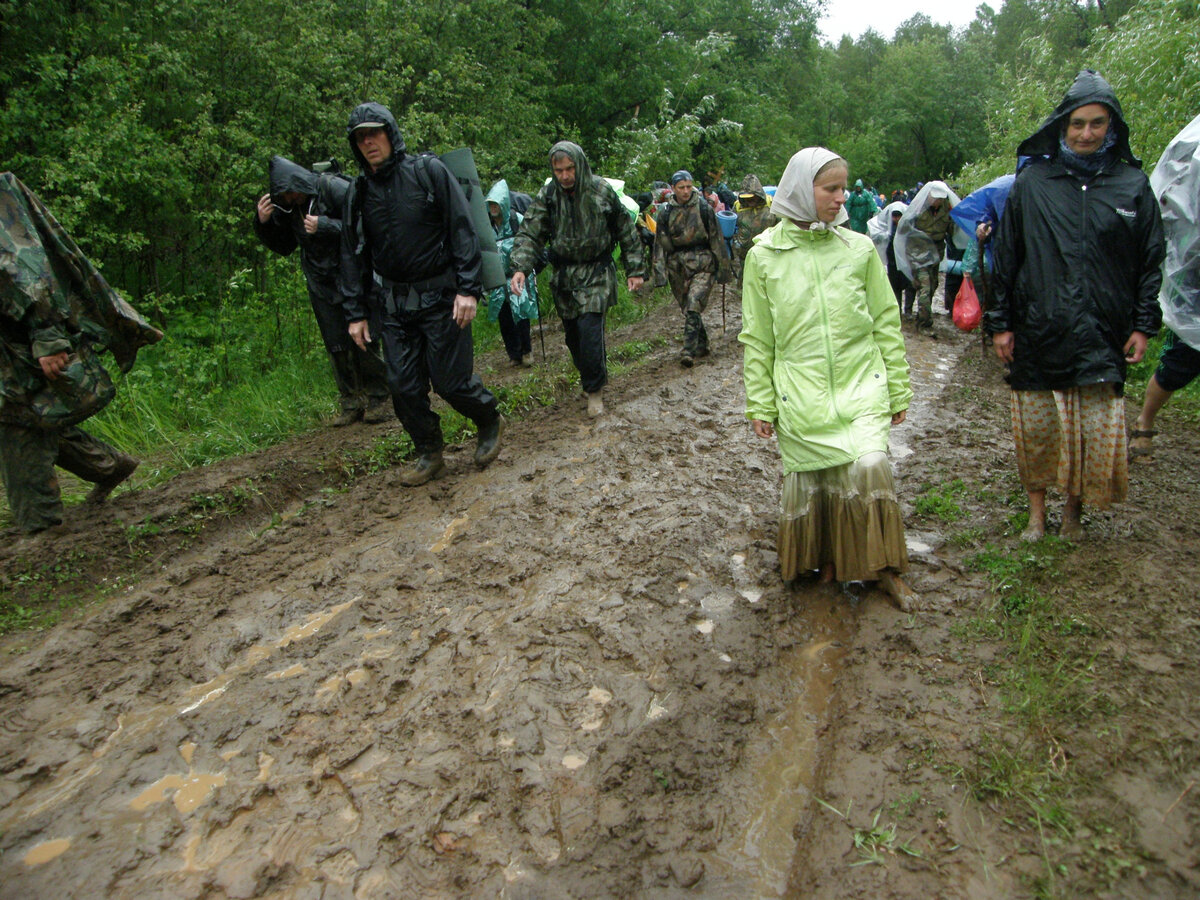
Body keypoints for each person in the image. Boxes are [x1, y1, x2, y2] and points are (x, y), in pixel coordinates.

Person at [986, 70, 1165, 540]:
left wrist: (1144, 325)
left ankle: (1073, 513)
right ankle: (1036, 514)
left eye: (1098, 124)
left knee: (1088, 431)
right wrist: (1001, 324)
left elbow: (1151, 261)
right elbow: (1007, 256)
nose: (1087, 133)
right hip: (1039, 325)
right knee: (1038, 429)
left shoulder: (1132, 186)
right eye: (1078, 123)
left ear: (1113, 127)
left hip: (1103, 331)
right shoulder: (1034, 182)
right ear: (1062, 126)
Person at [739, 148, 916, 609]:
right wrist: (760, 402)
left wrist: (897, 387)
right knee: (816, 480)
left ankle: (885, 568)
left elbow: (884, 321)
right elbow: (758, 338)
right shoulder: (764, 257)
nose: (842, 199)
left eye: (843, 188)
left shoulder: (857, 249)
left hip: (861, 384)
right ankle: (826, 565)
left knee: (870, 464)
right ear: (802, 190)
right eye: (831, 189)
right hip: (801, 392)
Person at [339, 102, 503, 486]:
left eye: (374, 133)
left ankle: (488, 419)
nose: (368, 142)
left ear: (390, 134)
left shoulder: (427, 172)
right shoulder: (358, 192)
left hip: (444, 298)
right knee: (402, 386)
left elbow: (461, 229)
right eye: (360, 137)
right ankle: (430, 451)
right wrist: (355, 312)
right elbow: (352, 254)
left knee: (451, 382)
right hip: (393, 305)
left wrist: (468, 289)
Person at [1, 172, 161, 539]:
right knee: (28, 414)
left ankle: (42, 532)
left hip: (23, 335)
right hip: (11, 341)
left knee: (16, 423)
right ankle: (106, 466)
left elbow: (22, 268)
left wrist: (48, 337)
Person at [509, 141, 646, 417]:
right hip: (565, 276)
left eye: (570, 168)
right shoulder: (548, 195)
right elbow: (530, 232)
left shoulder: (600, 190)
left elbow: (625, 230)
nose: (565, 175)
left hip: (596, 271)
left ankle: (594, 390)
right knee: (573, 337)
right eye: (559, 170)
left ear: (580, 165)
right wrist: (521, 267)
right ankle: (590, 374)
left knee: (589, 329)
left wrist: (634, 269)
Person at [254, 156, 391, 426]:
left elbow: (368, 226)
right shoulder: (290, 209)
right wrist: (263, 222)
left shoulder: (332, 188)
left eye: (290, 191)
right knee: (336, 343)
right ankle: (351, 402)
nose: (289, 197)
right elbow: (284, 246)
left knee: (363, 337)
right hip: (320, 281)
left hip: (352, 275)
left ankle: (380, 397)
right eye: (283, 194)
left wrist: (325, 225)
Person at [1129, 112, 1200, 460]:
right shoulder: (1193, 149)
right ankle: (1144, 422)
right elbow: (1167, 202)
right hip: (1195, 272)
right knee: (1181, 360)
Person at [653, 170, 731, 367]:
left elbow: (716, 238)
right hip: (677, 265)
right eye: (681, 188)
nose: (686, 191)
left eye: (689, 187)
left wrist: (723, 268)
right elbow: (660, 243)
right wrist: (659, 272)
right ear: (673, 189)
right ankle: (702, 344)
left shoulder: (703, 208)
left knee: (695, 300)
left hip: (703, 262)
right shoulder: (666, 212)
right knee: (688, 307)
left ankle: (688, 349)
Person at [485, 179, 539, 367]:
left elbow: (531, 240)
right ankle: (513, 354)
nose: (493, 208)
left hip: (518, 275)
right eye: (490, 204)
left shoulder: (516, 220)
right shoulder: (487, 226)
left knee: (521, 312)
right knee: (504, 316)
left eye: (496, 204)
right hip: (498, 279)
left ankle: (526, 351)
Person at [895, 181, 958, 331]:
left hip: (936, 251)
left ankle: (922, 314)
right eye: (935, 198)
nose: (937, 201)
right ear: (928, 196)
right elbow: (903, 229)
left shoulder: (946, 209)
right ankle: (924, 324)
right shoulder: (918, 207)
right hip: (918, 251)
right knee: (925, 286)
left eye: (940, 199)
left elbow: (952, 231)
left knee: (933, 284)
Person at [731, 174, 777, 285]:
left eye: (752, 196)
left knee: (768, 282)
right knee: (746, 284)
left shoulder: (771, 204)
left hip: (769, 252)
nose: (750, 200)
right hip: (745, 253)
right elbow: (731, 227)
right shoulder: (738, 207)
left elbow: (782, 225)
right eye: (746, 197)